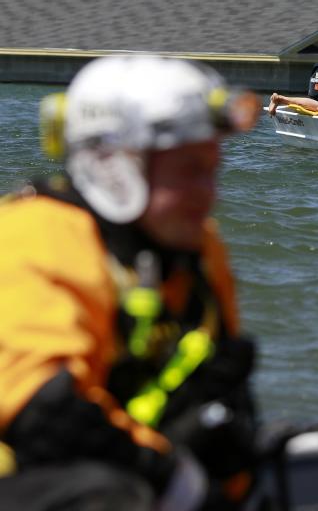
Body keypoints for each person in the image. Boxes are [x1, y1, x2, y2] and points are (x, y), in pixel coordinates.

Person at [0, 56, 262, 510]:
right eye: (189, 172)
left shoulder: (200, 252)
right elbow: (41, 413)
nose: (209, 192)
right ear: (114, 165)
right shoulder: (32, 239)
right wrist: (176, 480)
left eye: (212, 170)